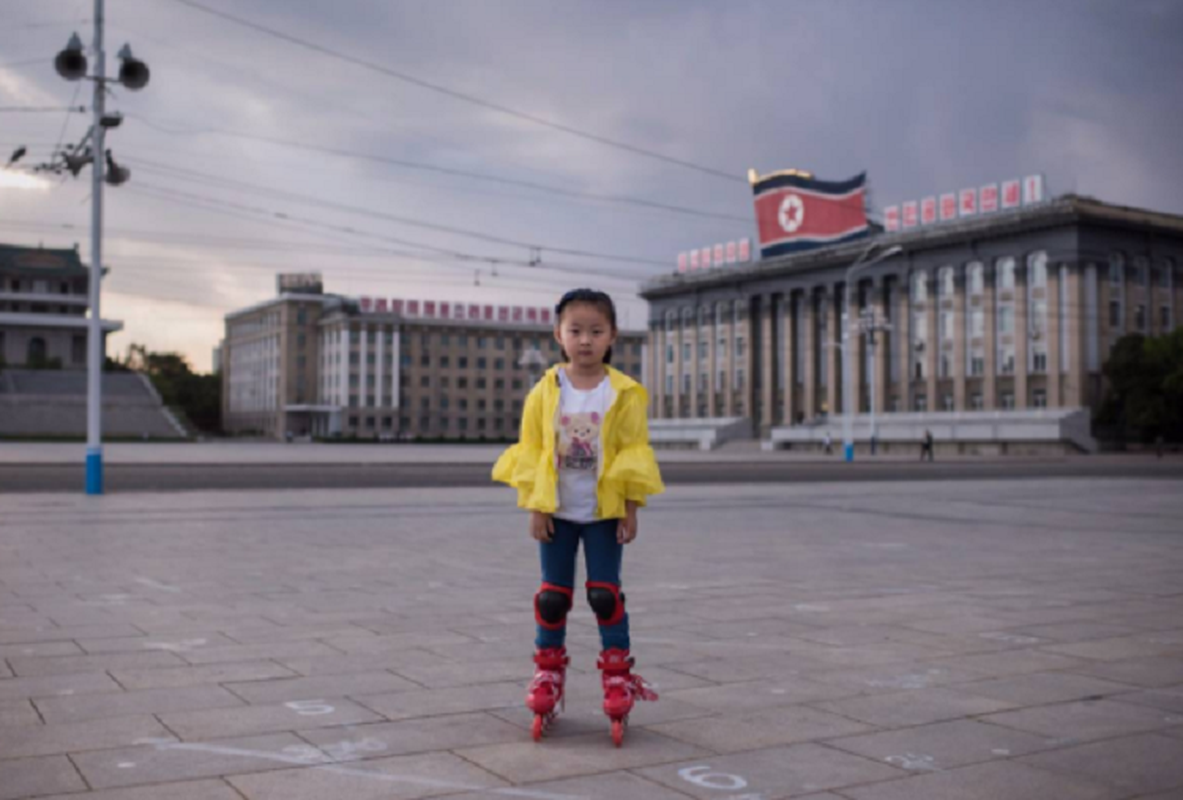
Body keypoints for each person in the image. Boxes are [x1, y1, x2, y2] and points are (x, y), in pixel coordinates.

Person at [492, 288, 663, 746]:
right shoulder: (546, 391)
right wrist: (534, 506)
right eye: (575, 330)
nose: (585, 340)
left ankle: (618, 674)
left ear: (612, 337)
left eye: (595, 331)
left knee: (605, 596)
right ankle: (547, 674)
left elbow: (633, 454)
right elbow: (531, 451)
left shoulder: (623, 393)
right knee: (552, 598)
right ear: (558, 335)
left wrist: (630, 509)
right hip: (558, 513)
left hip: (603, 513)